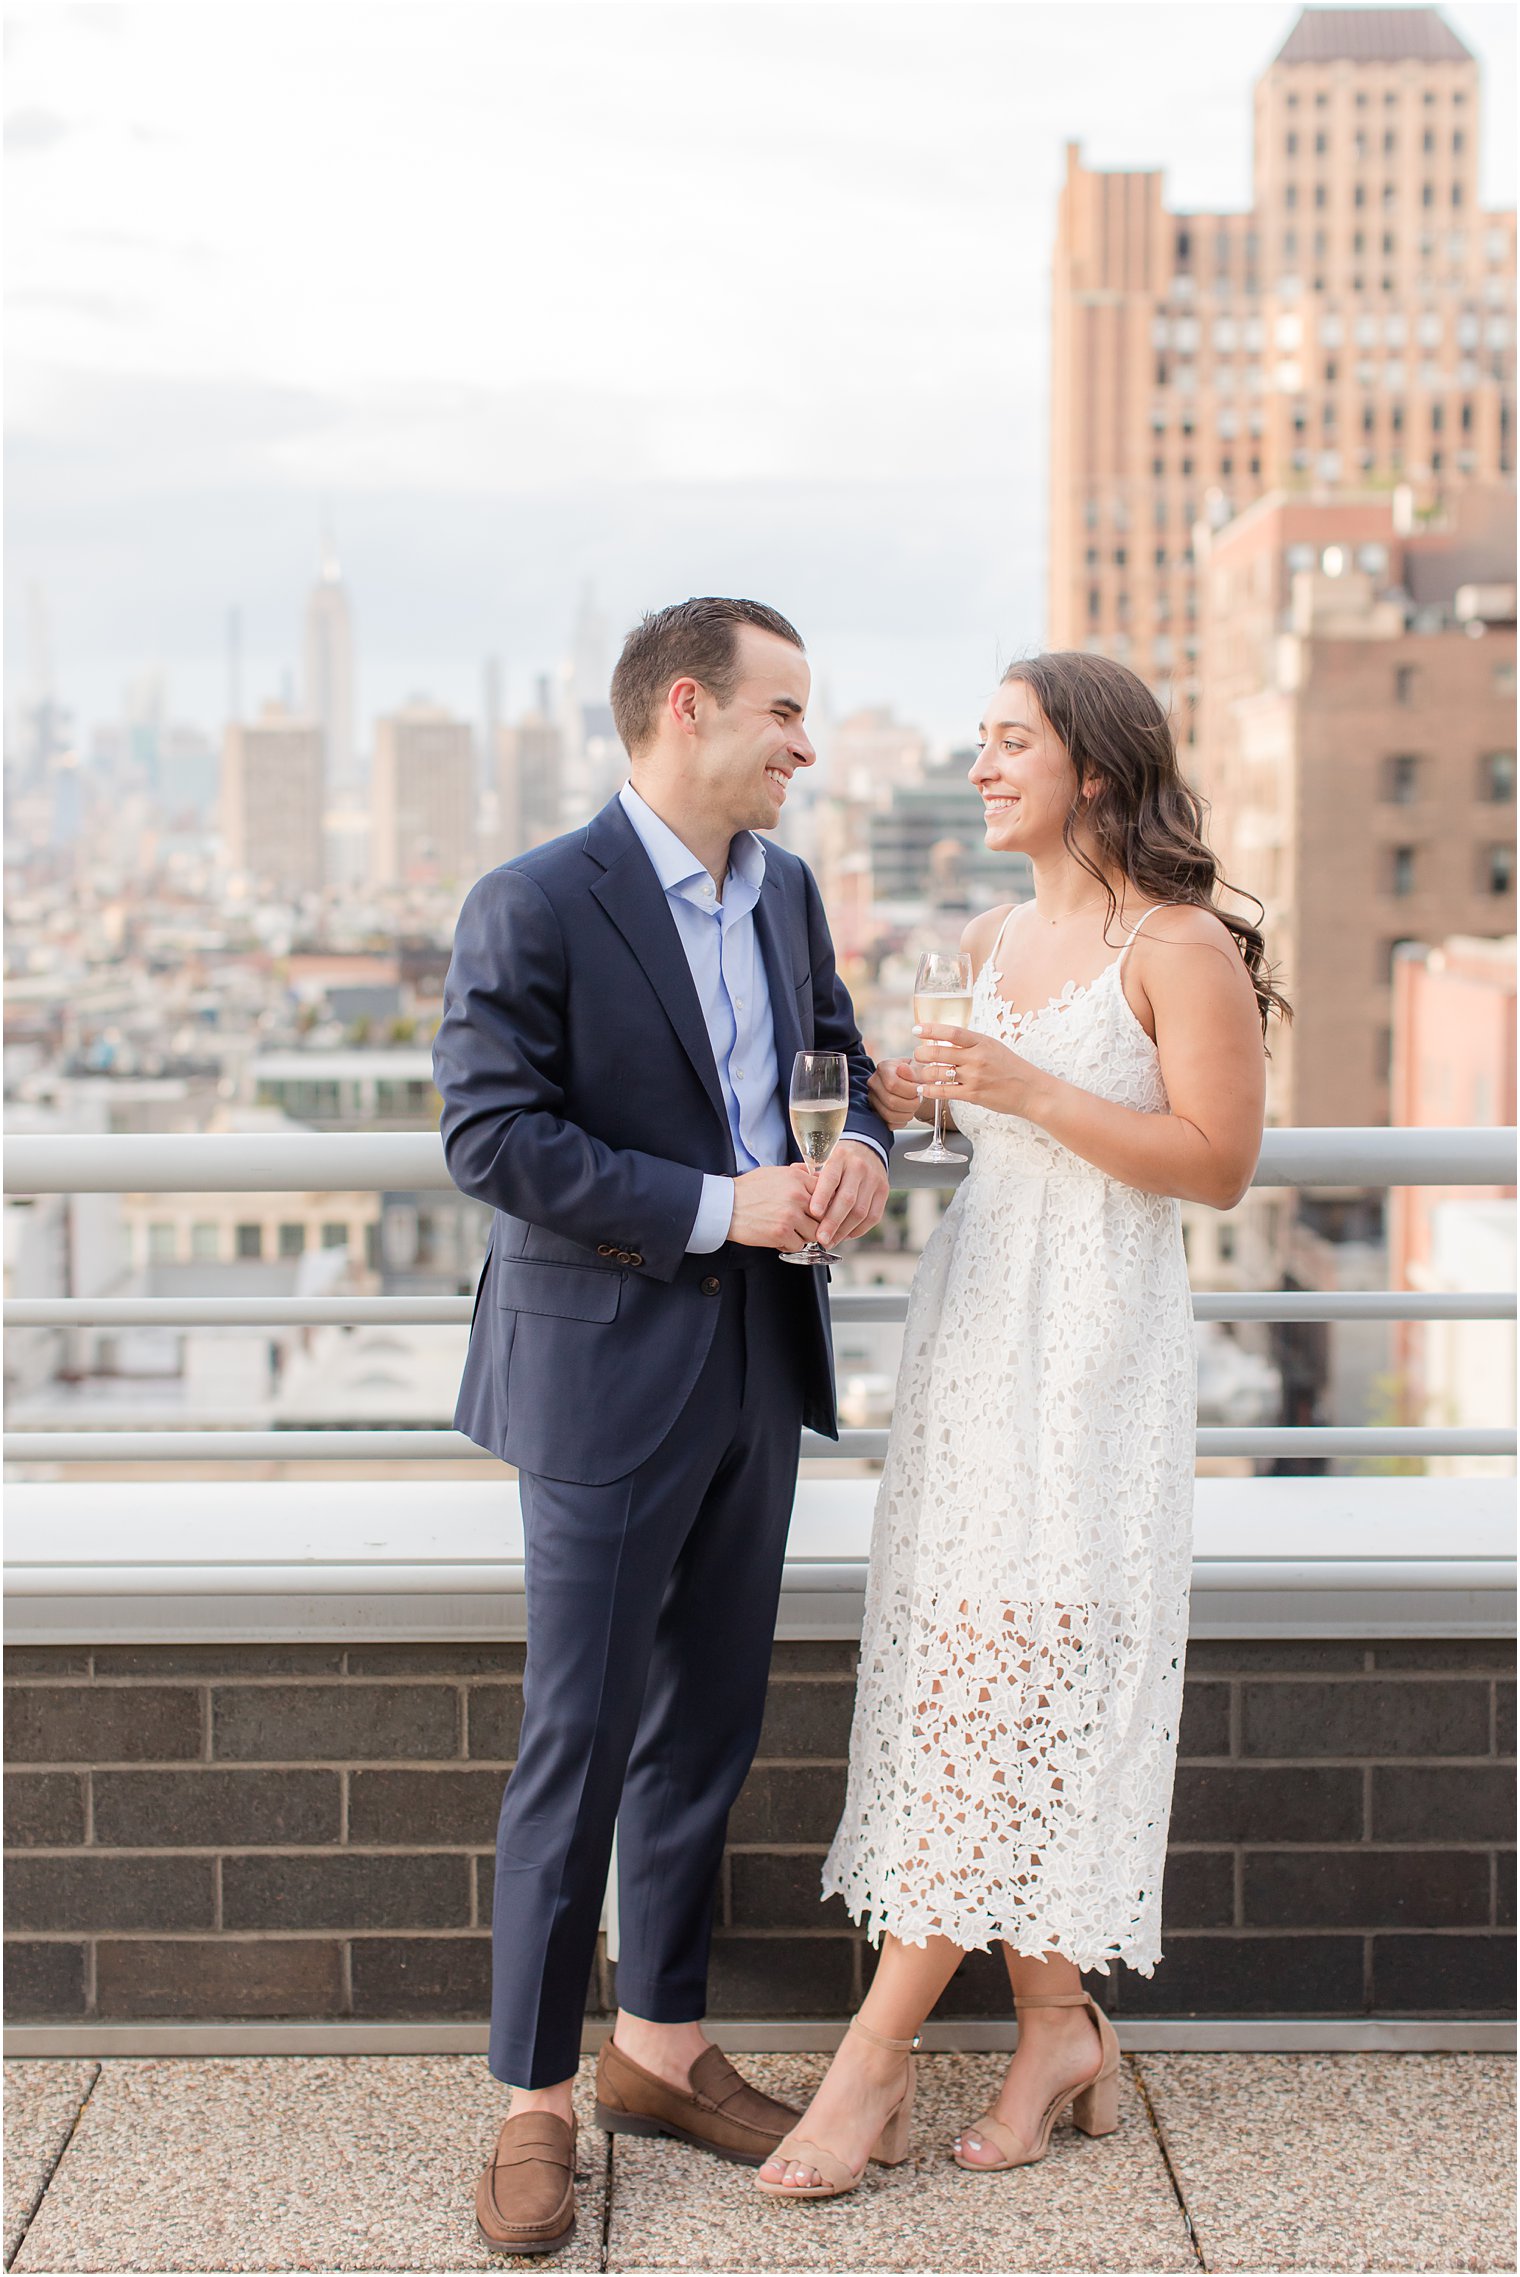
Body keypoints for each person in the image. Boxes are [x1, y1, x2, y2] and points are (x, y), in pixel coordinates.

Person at [756, 649, 1286, 2202]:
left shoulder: (1178, 945)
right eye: (979, 743)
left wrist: (1031, 1090)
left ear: (1097, 772)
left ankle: (872, 2062)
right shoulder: (989, 934)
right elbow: (970, 1106)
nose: (982, 767)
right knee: (973, 1677)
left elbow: (1217, 1162)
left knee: (1012, 1687)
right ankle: (1056, 2031)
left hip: (1094, 1360)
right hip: (981, 1344)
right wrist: (921, 1102)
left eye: (1011, 744)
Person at [433, 595, 893, 2256]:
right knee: (580, 1735)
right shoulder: (535, 901)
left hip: (759, 1363)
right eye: (784, 710)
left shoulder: (789, 891)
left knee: (708, 1719)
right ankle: (535, 2099)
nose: (806, 743)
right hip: (605, 1375)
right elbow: (493, 1141)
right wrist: (724, 1203)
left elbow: (833, 1063)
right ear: (686, 708)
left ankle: (662, 2048)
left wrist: (857, 1164)